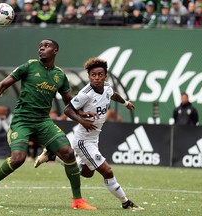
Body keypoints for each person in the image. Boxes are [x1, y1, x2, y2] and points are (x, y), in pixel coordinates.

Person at [0, 39, 97, 210]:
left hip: (43, 121)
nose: (41, 48)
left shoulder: (60, 75)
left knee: (68, 153)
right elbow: (2, 85)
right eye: (40, 46)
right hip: (22, 121)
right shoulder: (29, 66)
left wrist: (81, 113)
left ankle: (78, 201)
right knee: (18, 159)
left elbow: (69, 101)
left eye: (46, 46)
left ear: (55, 51)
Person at [35, 58, 144, 211]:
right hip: (83, 140)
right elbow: (67, 109)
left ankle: (55, 156)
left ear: (105, 76)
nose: (97, 78)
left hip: (94, 138)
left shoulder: (106, 87)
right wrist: (82, 120)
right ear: (89, 76)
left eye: (100, 74)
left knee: (87, 173)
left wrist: (125, 102)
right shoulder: (86, 93)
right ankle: (126, 202)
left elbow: (113, 94)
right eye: (93, 75)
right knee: (107, 171)